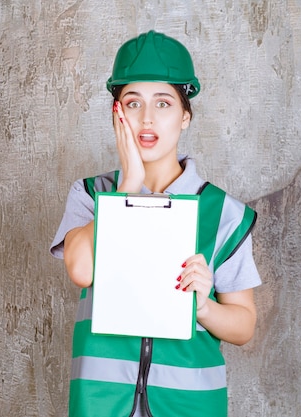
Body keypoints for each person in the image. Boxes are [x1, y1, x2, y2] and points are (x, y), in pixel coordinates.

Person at [50, 30, 261, 417]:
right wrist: (126, 188)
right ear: (117, 113)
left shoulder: (224, 212)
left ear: (185, 116)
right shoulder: (91, 194)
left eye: (163, 103)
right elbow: (81, 270)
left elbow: (244, 325)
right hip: (101, 403)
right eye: (133, 103)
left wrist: (204, 308)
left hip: (190, 405)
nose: (147, 118)